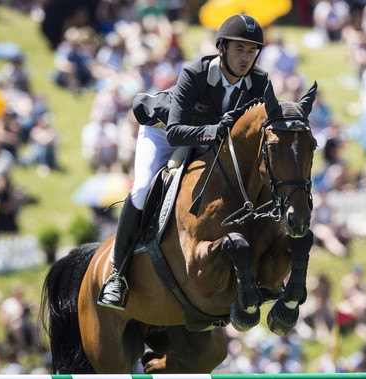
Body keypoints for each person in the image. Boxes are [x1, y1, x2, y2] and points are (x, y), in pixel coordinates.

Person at [97, 14, 269, 310]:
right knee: (142, 188)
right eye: (239, 49)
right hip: (164, 132)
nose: (246, 58)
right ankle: (117, 275)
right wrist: (216, 130)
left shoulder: (260, 82)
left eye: (252, 51)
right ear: (221, 48)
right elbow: (177, 133)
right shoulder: (195, 72)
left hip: (210, 140)